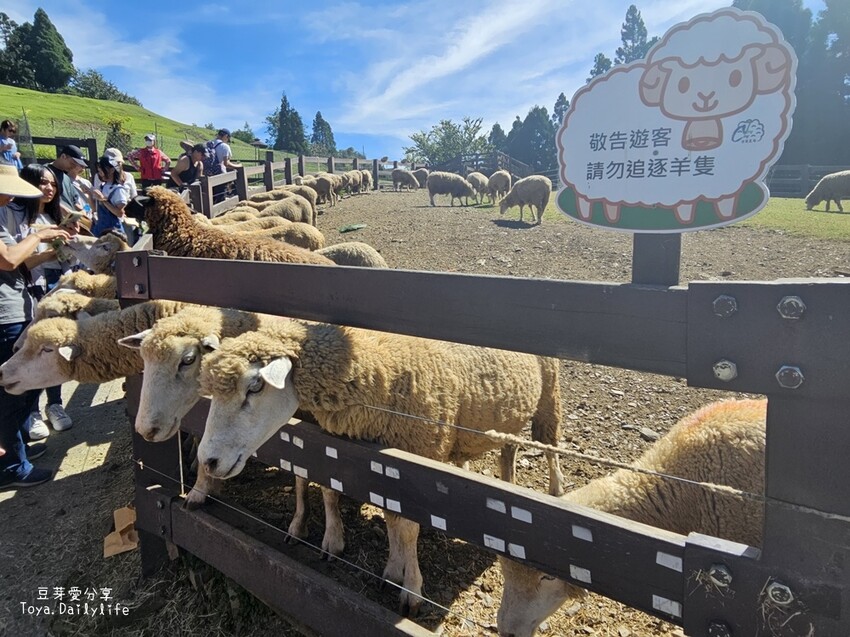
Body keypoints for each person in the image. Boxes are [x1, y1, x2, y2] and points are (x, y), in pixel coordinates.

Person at [0, 164, 70, 489]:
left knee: (21, 388)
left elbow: (21, 262)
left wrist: (47, 254)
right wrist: (39, 235)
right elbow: (9, 261)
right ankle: (13, 466)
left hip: (20, 303)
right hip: (5, 312)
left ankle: (20, 449)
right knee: (10, 388)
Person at [9, 165, 77, 436]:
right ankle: (33, 412)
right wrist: (48, 251)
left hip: (50, 289)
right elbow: (16, 262)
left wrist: (67, 248)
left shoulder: (51, 217)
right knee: (32, 349)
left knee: (54, 347)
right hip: (27, 290)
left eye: (52, 184)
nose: (49, 188)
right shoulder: (15, 216)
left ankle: (55, 404)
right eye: (42, 183)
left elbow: (64, 260)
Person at [90, 155, 130, 239]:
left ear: (112, 170)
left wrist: (103, 200)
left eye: (102, 169)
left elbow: (119, 213)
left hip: (113, 231)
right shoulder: (102, 186)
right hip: (100, 229)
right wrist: (88, 193)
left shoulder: (118, 190)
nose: (99, 171)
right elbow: (95, 208)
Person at [48, 145, 87, 215]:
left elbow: (73, 202)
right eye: (72, 163)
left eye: (76, 165)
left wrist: (83, 211)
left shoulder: (66, 178)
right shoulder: (45, 172)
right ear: (63, 156)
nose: (74, 167)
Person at [206, 129, 241, 203]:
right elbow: (226, 163)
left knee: (210, 198)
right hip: (219, 175)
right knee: (220, 199)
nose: (227, 140)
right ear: (225, 136)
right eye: (228, 138)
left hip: (207, 175)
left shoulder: (208, 144)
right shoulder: (225, 146)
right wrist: (238, 166)